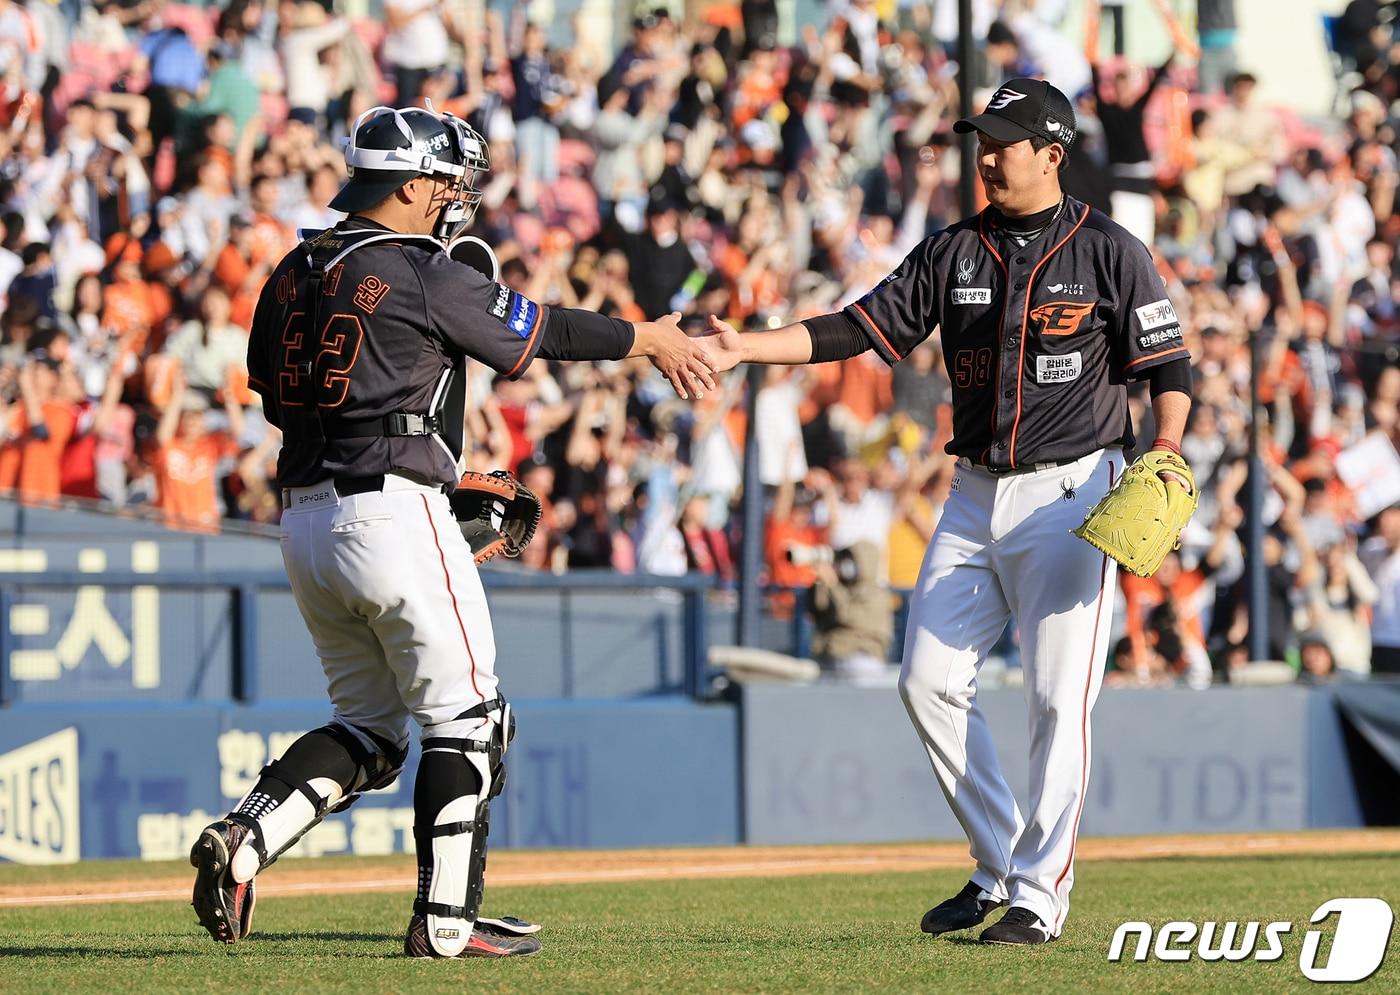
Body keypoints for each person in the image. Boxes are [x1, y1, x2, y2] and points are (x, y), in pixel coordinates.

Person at [188, 104, 717, 958]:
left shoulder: (290, 269)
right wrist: (647, 336)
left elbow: (272, 391)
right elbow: (541, 331)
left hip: (304, 520)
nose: (453, 197)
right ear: (414, 183)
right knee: (471, 715)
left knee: (368, 724)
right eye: (447, 181)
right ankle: (446, 921)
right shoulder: (417, 266)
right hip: (391, 509)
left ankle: (244, 839)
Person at [701, 79, 1194, 944]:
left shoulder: (1111, 250)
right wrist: (745, 344)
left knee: (1054, 701)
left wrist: (1165, 449)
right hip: (972, 492)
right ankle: (1000, 859)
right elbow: (857, 328)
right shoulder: (953, 250)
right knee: (925, 678)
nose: (986, 154)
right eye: (981, 139)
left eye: (1003, 140)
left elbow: (1170, 368)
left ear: (1052, 151)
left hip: (1074, 494)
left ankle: (1040, 896)